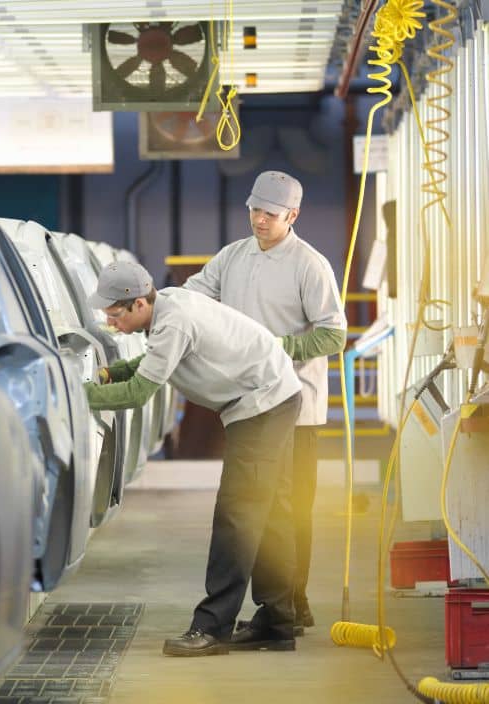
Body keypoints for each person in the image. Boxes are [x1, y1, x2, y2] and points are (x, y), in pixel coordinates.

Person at [85, 260, 302, 655]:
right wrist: (108, 374)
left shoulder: (174, 322)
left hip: (262, 403)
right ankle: (277, 622)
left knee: (237, 516)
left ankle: (213, 628)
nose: (110, 321)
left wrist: (77, 394)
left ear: (137, 304)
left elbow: (138, 392)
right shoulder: (167, 305)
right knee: (269, 513)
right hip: (276, 393)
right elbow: (154, 362)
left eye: (114, 313)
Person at [182, 171, 347, 635]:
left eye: (270, 214)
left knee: (291, 509)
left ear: (292, 215)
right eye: (254, 209)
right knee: (269, 508)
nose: (259, 219)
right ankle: (287, 610)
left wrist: (276, 349)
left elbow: (334, 333)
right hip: (251, 404)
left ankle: (292, 603)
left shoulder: (308, 265)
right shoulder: (233, 257)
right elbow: (195, 296)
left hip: (298, 407)